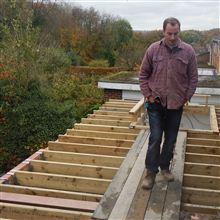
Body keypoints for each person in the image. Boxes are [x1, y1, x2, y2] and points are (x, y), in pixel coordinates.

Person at [139, 17, 198, 189]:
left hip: (176, 104)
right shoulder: (153, 50)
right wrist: (148, 95)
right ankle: (150, 172)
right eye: (169, 33)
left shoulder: (188, 51)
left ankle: (165, 167)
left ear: (179, 31)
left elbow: (193, 78)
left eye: (175, 33)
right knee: (155, 137)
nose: (172, 37)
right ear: (163, 31)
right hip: (155, 102)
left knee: (171, 139)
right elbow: (143, 75)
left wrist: (186, 96)